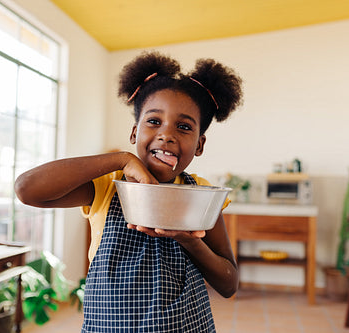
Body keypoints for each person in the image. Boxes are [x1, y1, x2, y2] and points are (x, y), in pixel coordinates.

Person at [15, 51, 243, 332]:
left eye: (184, 127)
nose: (167, 134)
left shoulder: (201, 195)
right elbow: (27, 190)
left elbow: (229, 284)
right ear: (134, 133)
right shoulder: (107, 186)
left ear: (199, 144)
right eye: (154, 121)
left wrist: (191, 241)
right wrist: (120, 159)